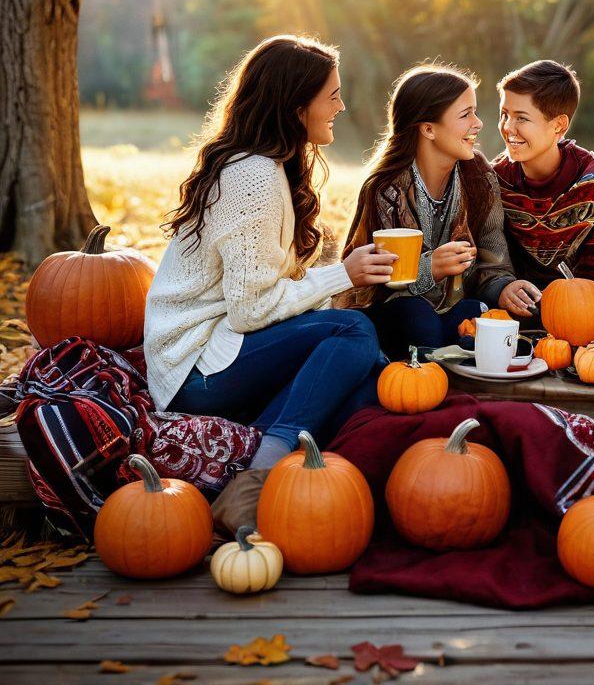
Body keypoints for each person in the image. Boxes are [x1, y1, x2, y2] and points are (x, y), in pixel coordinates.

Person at [144, 35, 394, 532]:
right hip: (196, 367)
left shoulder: (270, 167)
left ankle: (260, 461)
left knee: (366, 376)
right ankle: (259, 478)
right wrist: (342, 275)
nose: (341, 106)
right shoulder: (253, 176)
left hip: (229, 352)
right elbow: (250, 310)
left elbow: (264, 293)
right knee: (354, 332)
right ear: (296, 106)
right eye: (332, 96)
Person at [341, 64, 538, 357]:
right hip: (397, 310)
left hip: (455, 307)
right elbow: (376, 282)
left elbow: (492, 258)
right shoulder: (386, 189)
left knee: (479, 312)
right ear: (428, 129)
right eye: (465, 114)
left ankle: (449, 348)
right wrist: (430, 268)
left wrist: (504, 288)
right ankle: (445, 352)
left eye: (475, 112)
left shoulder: (478, 176)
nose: (478, 123)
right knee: (419, 319)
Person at [492, 60, 594, 311]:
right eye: (505, 114)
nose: (508, 127)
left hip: (581, 310)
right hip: (514, 310)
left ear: (558, 125)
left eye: (521, 118)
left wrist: (561, 307)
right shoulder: (495, 179)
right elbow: (489, 262)